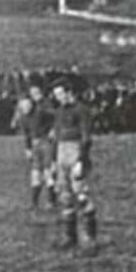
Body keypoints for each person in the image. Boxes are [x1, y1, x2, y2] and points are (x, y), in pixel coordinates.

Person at [51, 78, 97, 255]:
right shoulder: (59, 112)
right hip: (61, 153)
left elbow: (86, 138)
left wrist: (81, 161)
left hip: (76, 152)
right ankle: (70, 237)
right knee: (65, 196)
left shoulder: (81, 110)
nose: (59, 98)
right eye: (56, 95)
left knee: (82, 195)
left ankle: (90, 238)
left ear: (70, 92)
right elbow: (55, 137)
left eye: (61, 94)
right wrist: (54, 162)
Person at [13, 83, 58, 210]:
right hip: (35, 145)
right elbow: (26, 135)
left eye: (27, 104)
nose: (25, 107)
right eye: (22, 106)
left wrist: (53, 130)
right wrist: (27, 149)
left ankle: (51, 201)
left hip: (46, 143)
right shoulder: (23, 118)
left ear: (31, 104)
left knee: (48, 172)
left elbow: (56, 118)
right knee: (35, 174)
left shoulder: (41, 112)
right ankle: (34, 203)